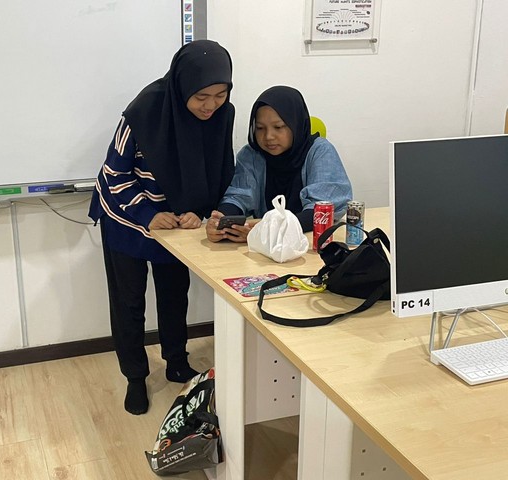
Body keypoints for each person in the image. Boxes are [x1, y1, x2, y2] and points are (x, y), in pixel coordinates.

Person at [88, 40, 235, 415]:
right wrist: (146, 214)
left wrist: (197, 213)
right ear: (183, 86)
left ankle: (176, 362)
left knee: (174, 295)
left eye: (220, 95)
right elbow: (114, 173)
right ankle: (135, 377)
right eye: (201, 97)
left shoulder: (222, 114)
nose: (211, 106)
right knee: (129, 302)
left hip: (174, 225)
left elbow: (218, 170)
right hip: (126, 216)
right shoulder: (144, 111)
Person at [206, 85, 352, 243]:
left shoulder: (320, 151)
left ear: (295, 124)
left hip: (311, 243)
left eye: (278, 127)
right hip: (265, 248)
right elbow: (238, 196)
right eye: (260, 128)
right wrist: (222, 220)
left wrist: (270, 230)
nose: (268, 136)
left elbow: (322, 210)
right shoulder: (252, 155)